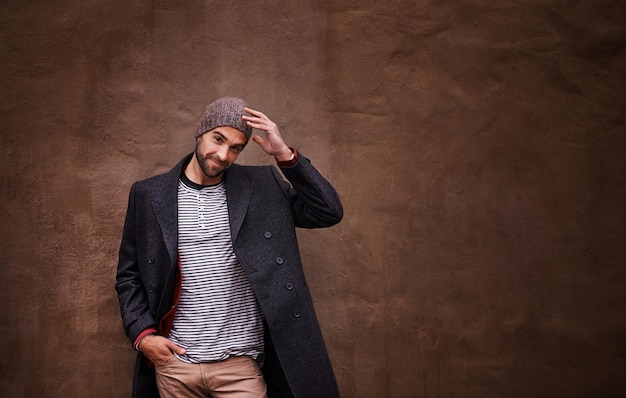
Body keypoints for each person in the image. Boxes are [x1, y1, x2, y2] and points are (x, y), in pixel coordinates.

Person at [115, 97, 343, 398]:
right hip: (175, 366)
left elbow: (328, 211)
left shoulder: (263, 187)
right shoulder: (149, 194)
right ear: (201, 132)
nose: (223, 155)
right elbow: (128, 276)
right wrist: (143, 337)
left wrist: (285, 154)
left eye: (236, 147)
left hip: (240, 367)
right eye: (218, 139)